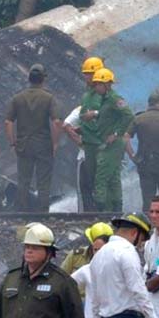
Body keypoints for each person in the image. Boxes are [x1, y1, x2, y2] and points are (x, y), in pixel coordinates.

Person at [4, 64, 62, 212]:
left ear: (29, 78)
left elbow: (8, 122)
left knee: (23, 180)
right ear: (43, 79)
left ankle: (22, 211)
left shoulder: (18, 98)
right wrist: (55, 142)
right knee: (43, 181)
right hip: (43, 145)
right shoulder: (48, 98)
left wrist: (12, 143)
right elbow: (56, 122)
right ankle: (42, 212)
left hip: (23, 145)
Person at [91, 68, 134, 212]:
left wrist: (116, 133)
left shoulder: (115, 99)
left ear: (107, 84)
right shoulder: (105, 100)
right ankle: (116, 209)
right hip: (109, 143)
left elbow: (128, 115)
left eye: (98, 84)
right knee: (114, 177)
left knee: (101, 176)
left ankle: (100, 209)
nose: (96, 87)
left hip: (112, 145)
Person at [70, 56, 106, 211]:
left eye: (88, 74)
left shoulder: (101, 97)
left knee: (89, 188)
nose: (86, 77)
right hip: (97, 151)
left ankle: (94, 216)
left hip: (95, 152)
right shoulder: (90, 96)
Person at [63, 105, 96, 212]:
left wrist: (80, 142)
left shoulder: (82, 109)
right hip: (104, 157)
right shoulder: (108, 106)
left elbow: (66, 125)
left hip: (85, 157)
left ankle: (87, 215)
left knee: (85, 189)